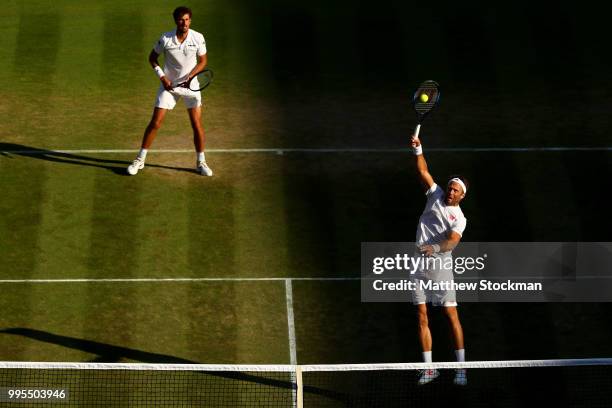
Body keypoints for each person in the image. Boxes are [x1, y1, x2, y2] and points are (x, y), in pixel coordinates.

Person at [410, 133, 468, 386]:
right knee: (421, 315)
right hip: (418, 264)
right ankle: (429, 369)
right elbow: (423, 171)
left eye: (455, 190)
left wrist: (434, 247)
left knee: (450, 315)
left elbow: (453, 242)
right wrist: (418, 149)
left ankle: (462, 369)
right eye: (450, 187)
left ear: (461, 196)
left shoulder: (460, 219)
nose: (450, 191)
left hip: (440, 266)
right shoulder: (435, 194)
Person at [128, 6, 212, 176]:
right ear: (176, 21)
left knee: (196, 125)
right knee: (155, 123)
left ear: (190, 20)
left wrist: (191, 76)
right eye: (181, 20)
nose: (185, 23)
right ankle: (140, 160)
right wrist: (162, 78)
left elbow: (203, 61)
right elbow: (152, 58)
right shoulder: (165, 38)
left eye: (187, 19)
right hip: (169, 87)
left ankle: (201, 162)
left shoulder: (198, 37)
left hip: (191, 87)